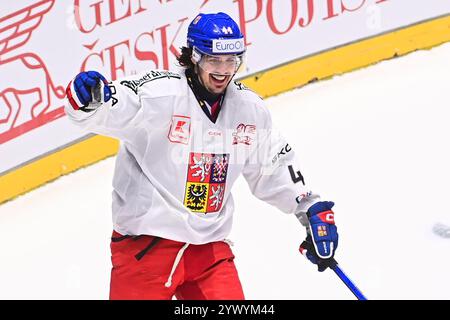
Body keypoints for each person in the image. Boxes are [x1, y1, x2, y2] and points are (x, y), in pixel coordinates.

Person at [64, 12, 338, 300]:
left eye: (231, 61)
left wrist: (310, 208)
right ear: (193, 57)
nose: (223, 71)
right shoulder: (159, 94)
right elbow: (109, 106)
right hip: (146, 248)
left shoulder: (249, 110)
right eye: (213, 60)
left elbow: (273, 164)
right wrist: (88, 99)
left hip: (208, 250)